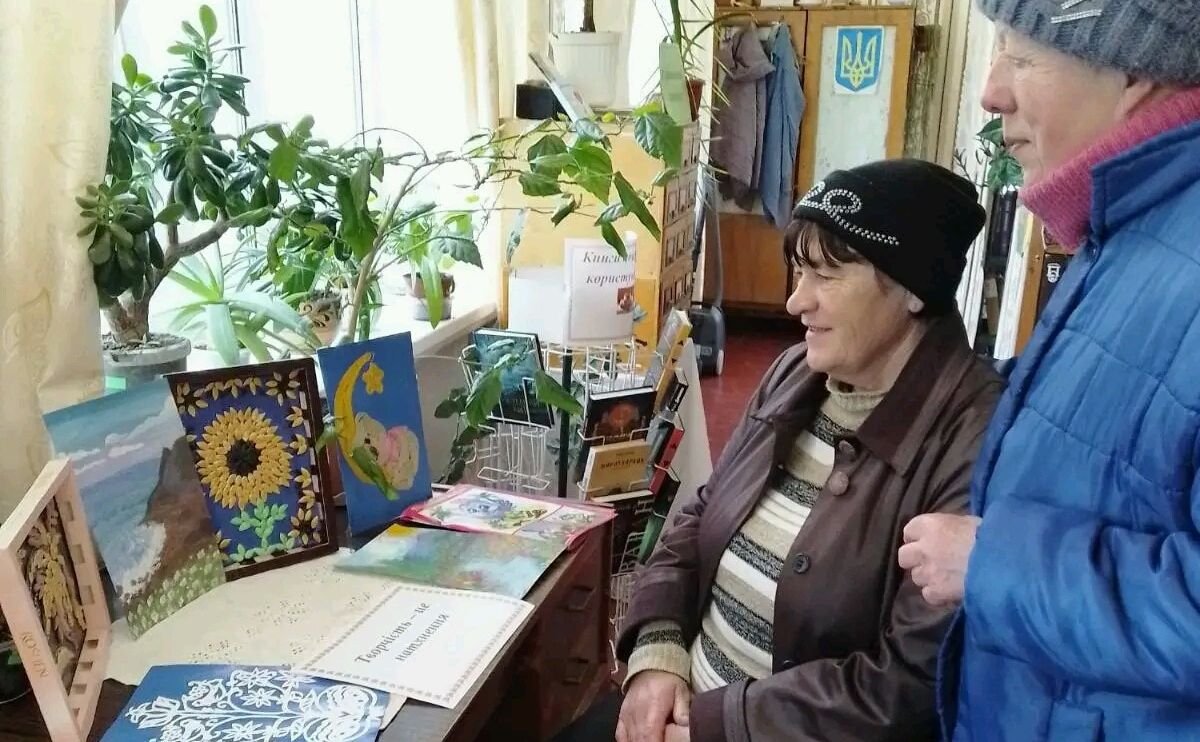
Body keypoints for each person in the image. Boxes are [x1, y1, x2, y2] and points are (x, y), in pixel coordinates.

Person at [553, 158, 1001, 742]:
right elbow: (701, 513)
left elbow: (904, 688)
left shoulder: (974, 439)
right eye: (798, 272)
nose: (795, 302)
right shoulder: (796, 373)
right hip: (686, 704)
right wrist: (658, 655)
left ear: (913, 290)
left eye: (826, 276)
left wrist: (712, 727)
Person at [897, 3, 1200, 740]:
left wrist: (992, 564)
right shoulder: (1134, 225)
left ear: (1133, 69)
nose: (990, 92)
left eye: (1023, 55)